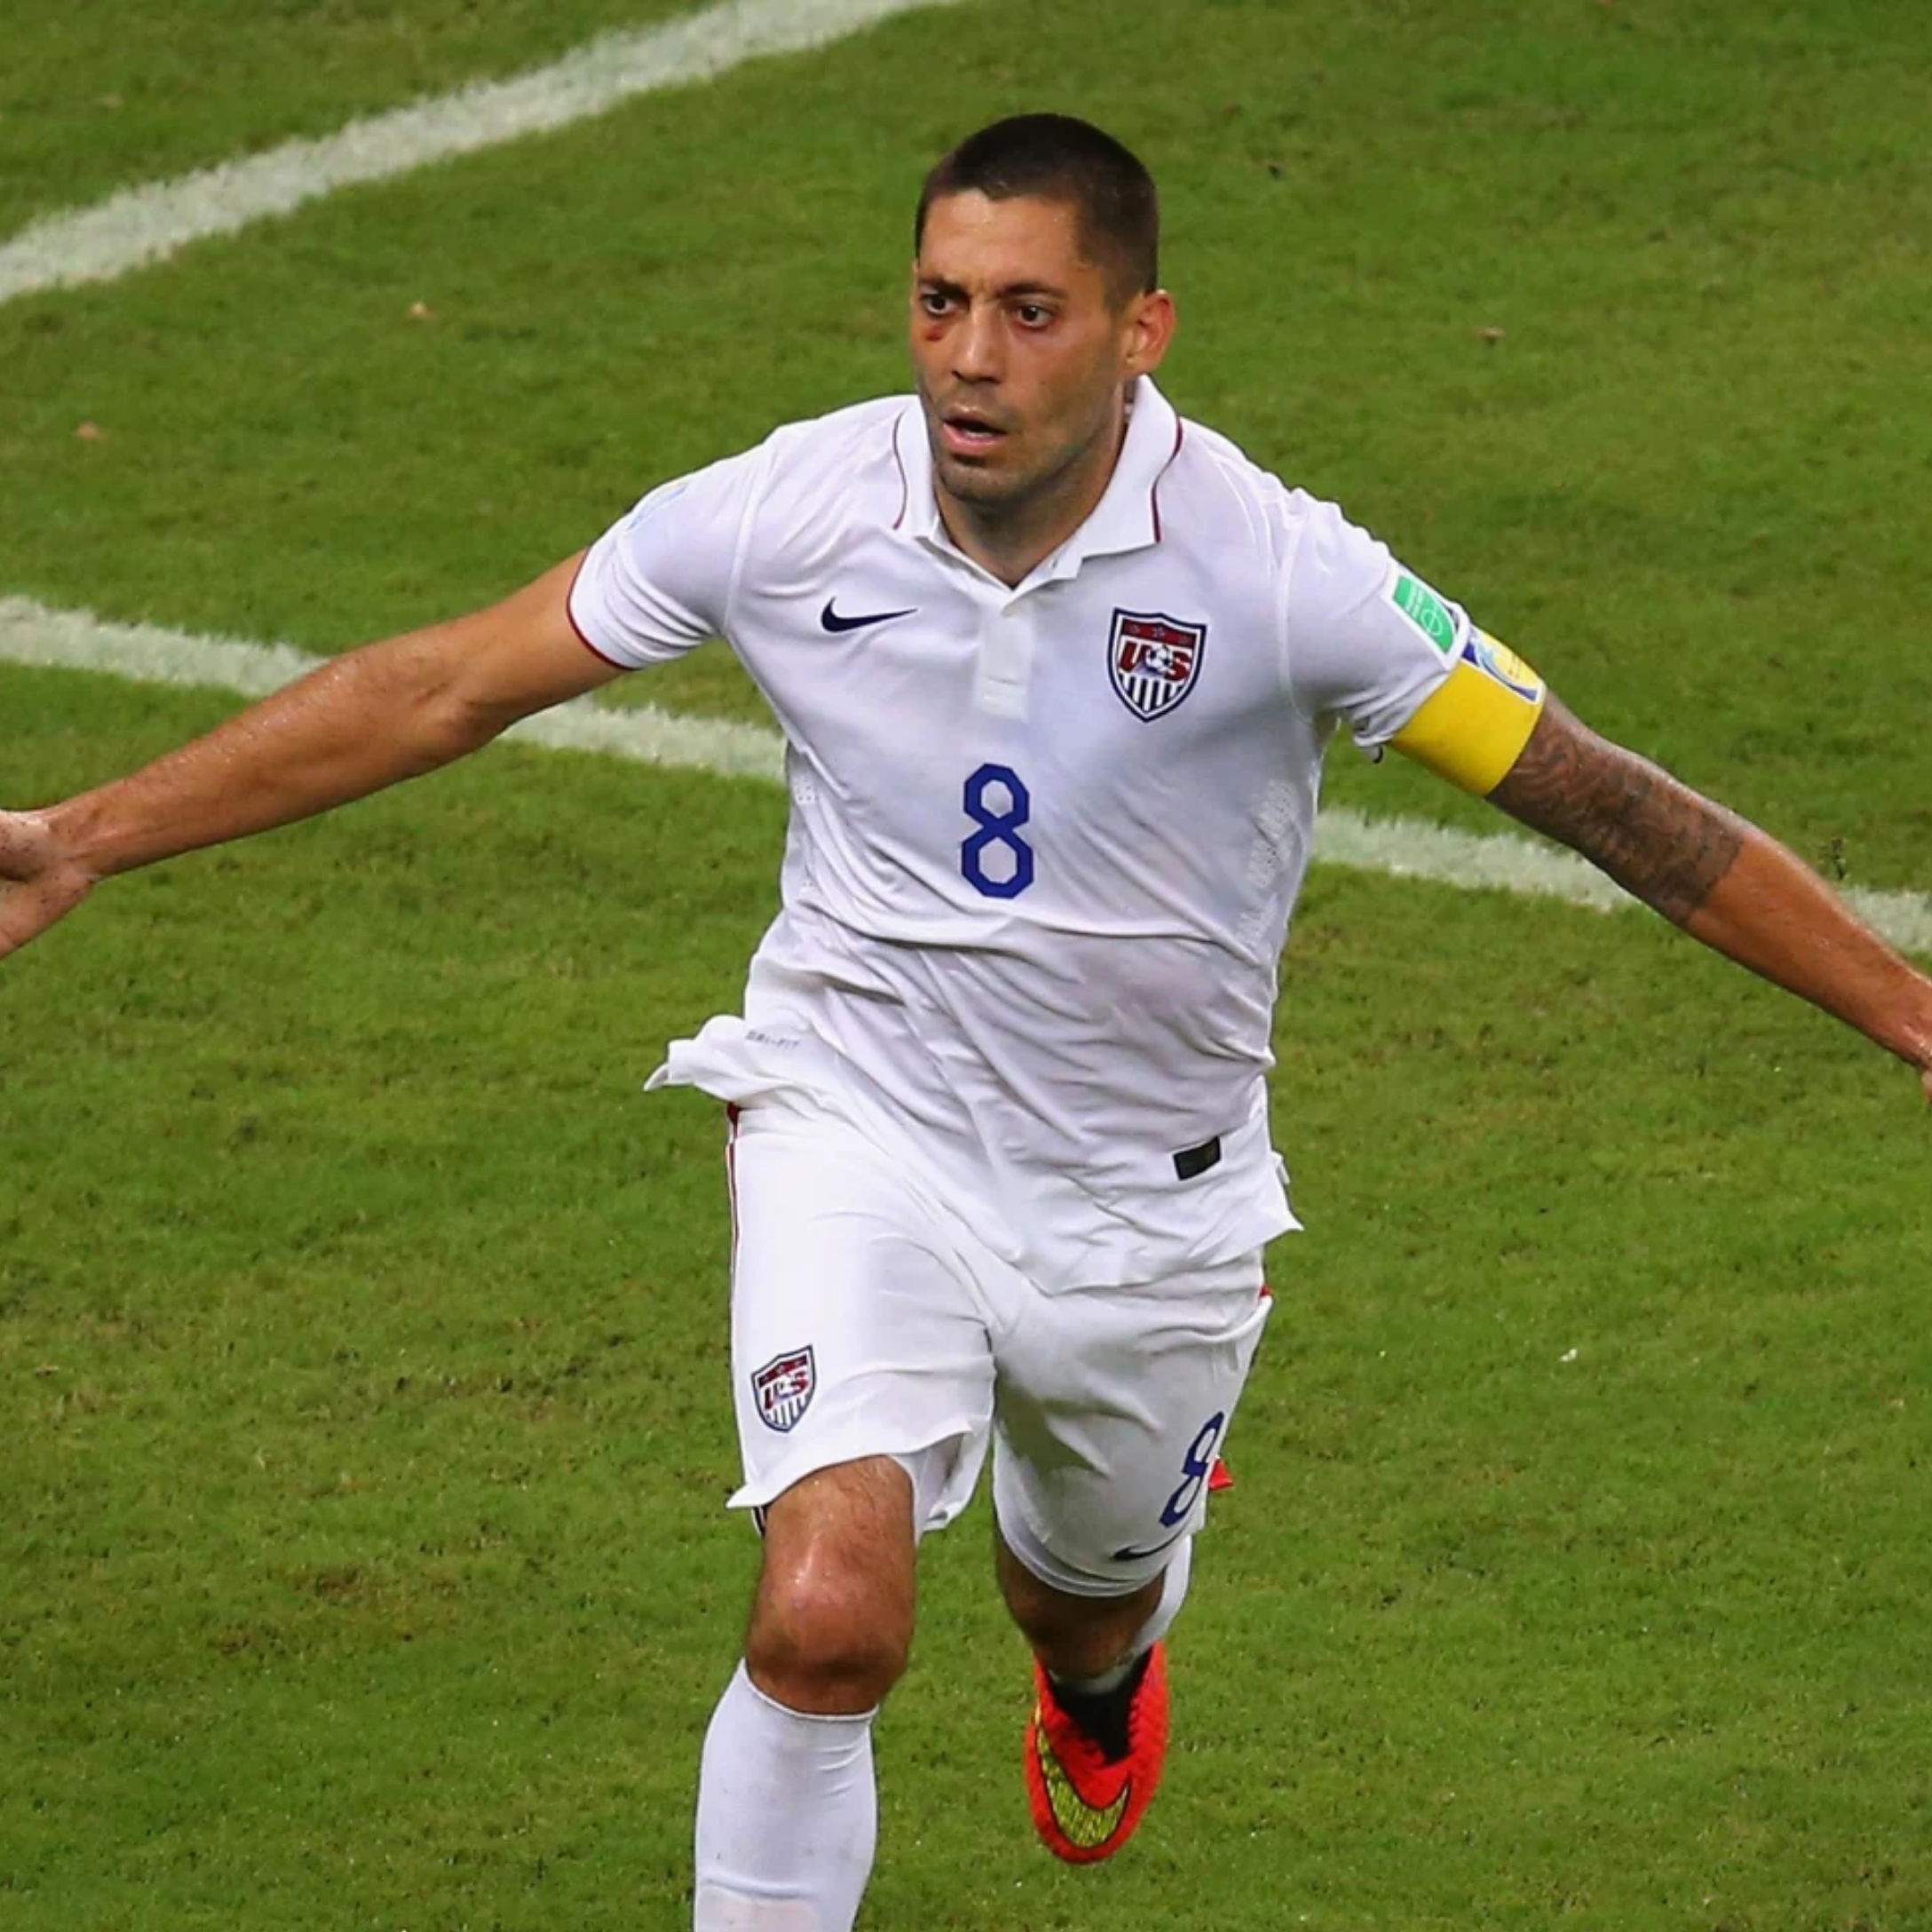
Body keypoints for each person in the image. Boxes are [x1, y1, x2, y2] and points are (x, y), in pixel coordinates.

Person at [3, 112, 1928, 1932]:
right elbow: (440, 688)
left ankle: (1098, 1667)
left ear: (1136, 327)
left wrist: (1910, 1019)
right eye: (939, 302)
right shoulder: (786, 507)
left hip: (1143, 1211)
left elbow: (1622, 810)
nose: (969, 358)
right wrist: (82, 840)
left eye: (1027, 310)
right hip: (861, 1116)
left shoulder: (1281, 575)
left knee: (1073, 1596)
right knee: (825, 1613)